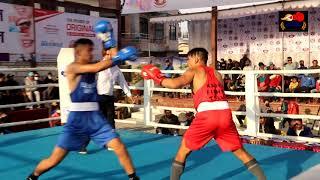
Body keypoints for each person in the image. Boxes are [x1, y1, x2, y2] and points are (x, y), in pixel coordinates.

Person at [141, 48, 266, 180]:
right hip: (225, 115)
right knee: (240, 152)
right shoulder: (217, 74)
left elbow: (174, 84)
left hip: (207, 115)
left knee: (183, 151)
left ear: (196, 59)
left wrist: (158, 78)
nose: (188, 62)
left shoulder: (194, 70)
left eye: (188, 59)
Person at [26, 38, 139, 180]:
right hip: (77, 121)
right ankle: (33, 176)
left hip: (96, 118)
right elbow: (98, 67)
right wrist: (121, 56)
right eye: (89, 51)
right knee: (54, 160)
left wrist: (110, 41)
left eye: (92, 50)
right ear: (79, 52)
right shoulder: (72, 67)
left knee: (119, 146)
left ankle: (133, 178)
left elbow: (110, 61)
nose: (91, 54)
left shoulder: (93, 65)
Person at [79, 48, 135, 154]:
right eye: (108, 54)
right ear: (104, 54)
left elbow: (122, 82)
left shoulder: (116, 68)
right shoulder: (99, 66)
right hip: (98, 97)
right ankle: (82, 145)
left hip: (109, 97)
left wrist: (129, 95)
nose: (110, 56)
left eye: (112, 54)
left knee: (110, 121)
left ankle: (110, 143)